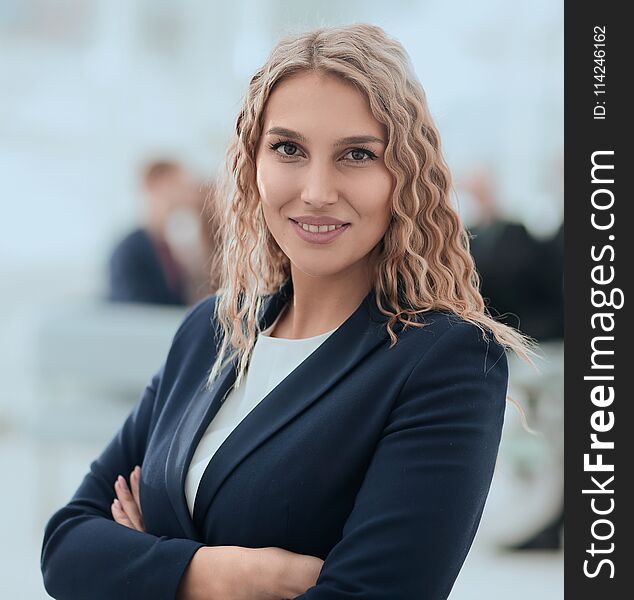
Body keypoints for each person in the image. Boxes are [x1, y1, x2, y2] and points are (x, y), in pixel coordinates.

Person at [41, 23, 538, 600]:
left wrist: (142, 561)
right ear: (254, 164)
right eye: (288, 149)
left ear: (403, 175)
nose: (317, 190)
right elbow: (67, 549)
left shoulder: (446, 361)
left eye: (357, 154)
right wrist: (232, 576)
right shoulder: (211, 331)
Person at [106, 160, 200, 306]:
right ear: (156, 187)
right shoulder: (129, 251)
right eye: (178, 186)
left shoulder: (174, 245)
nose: (187, 194)